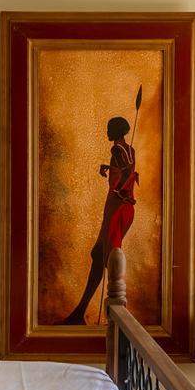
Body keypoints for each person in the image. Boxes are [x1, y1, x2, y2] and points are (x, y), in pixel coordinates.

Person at [60, 115, 138, 326]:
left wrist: (119, 186)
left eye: (109, 128)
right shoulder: (129, 149)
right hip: (121, 208)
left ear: (116, 131)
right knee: (100, 255)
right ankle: (80, 313)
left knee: (110, 260)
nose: (107, 132)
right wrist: (111, 169)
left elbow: (127, 169)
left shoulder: (117, 149)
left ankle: (118, 319)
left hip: (118, 208)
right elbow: (127, 168)